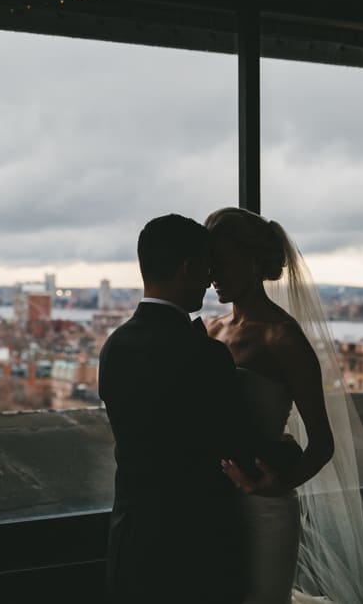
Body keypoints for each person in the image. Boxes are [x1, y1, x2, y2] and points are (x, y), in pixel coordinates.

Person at [204, 206, 363, 604]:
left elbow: (323, 444)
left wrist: (276, 485)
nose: (213, 275)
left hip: (265, 509)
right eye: (209, 264)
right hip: (214, 506)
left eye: (223, 262)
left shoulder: (283, 339)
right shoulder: (212, 329)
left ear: (255, 263)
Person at [98, 213, 300, 604]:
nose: (211, 280)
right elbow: (235, 447)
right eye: (207, 269)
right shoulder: (205, 354)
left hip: (132, 539)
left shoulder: (114, 346)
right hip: (197, 545)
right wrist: (288, 453)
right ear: (189, 268)